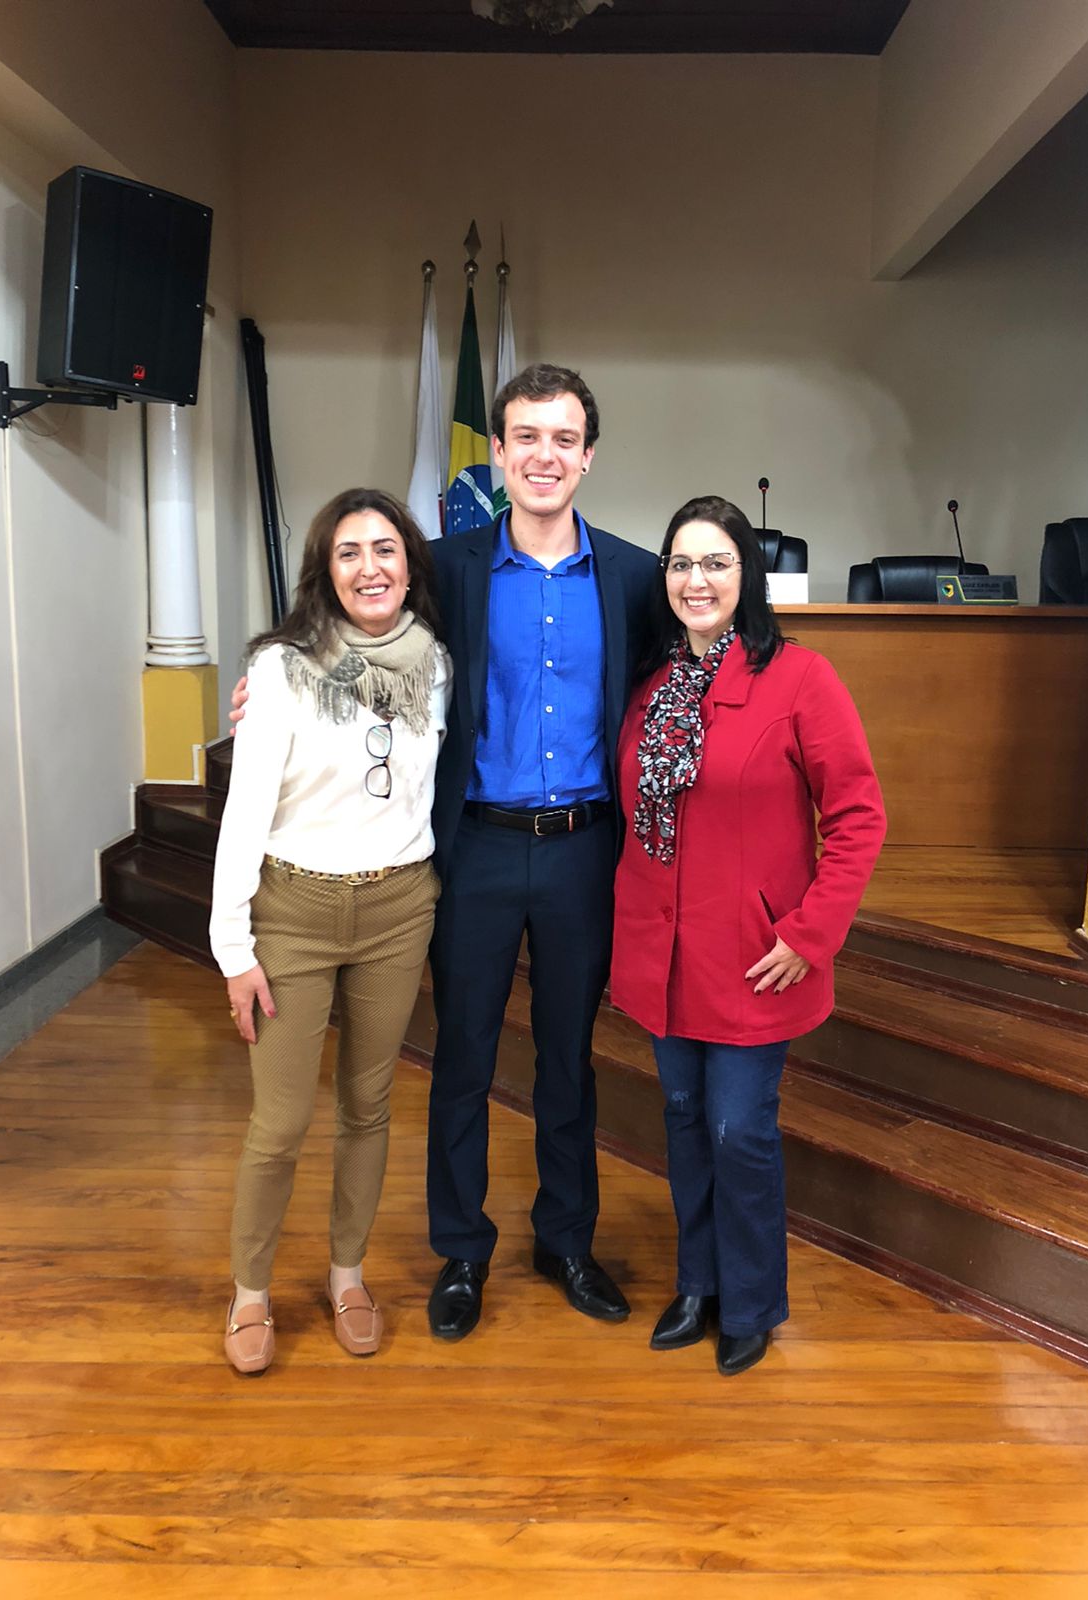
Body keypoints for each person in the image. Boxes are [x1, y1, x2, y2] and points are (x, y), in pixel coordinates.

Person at [610, 495, 885, 1376]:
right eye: (681, 564)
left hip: (756, 958)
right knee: (685, 1119)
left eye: (716, 563)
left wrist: (810, 933)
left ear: (747, 576)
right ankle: (698, 1284)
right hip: (663, 953)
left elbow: (859, 817)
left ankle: (752, 1300)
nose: (697, 580)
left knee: (739, 1130)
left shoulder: (800, 679)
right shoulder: (647, 684)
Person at [423, 364, 656, 1340]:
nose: (544, 455)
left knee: (568, 1058)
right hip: (476, 848)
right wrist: (276, 672)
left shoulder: (636, 576)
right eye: (527, 437)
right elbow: (358, 626)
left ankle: (565, 1240)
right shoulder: (448, 569)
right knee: (463, 1058)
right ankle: (461, 1252)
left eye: (564, 439)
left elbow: (694, 674)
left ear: (588, 456)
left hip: (582, 854)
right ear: (499, 452)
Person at [211, 487, 451, 1376]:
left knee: (368, 1106)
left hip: (399, 908)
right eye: (349, 553)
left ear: (409, 566)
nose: (369, 567)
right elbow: (244, 812)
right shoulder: (279, 670)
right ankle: (250, 1292)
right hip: (294, 912)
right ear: (326, 571)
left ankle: (347, 1274)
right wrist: (233, 949)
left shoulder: (438, 664)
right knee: (280, 1120)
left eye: (385, 549)